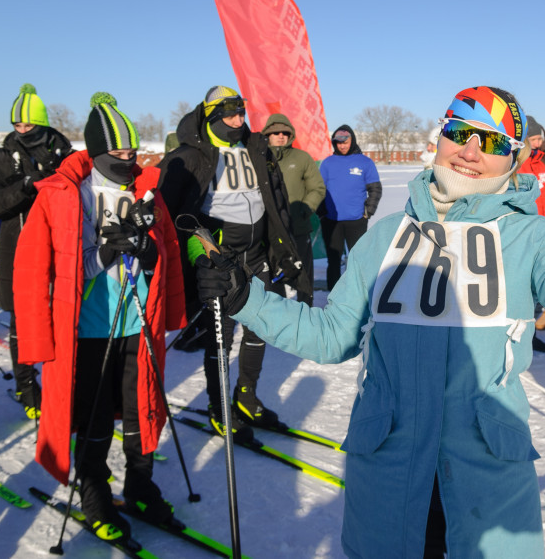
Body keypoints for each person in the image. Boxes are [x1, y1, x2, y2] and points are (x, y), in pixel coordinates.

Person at [194, 85, 545, 559]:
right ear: (438, 138)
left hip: (486, 479)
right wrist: (248, 299)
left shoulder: (532, 238)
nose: (469, 151)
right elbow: (330, 335)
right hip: (388, 478)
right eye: (459, 132)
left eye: (490, 143)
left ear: (512, 160)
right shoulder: (386, 238)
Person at [13, 93, 186, 542]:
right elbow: (37, 270)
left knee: (141, 409)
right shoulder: (67, 195)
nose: (130, 160)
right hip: (88, 327)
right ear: (98, 151)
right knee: (92, 418)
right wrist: (107, 251)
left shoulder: (146, 190)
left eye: (133, 152)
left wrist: (149, 255)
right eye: (121, 153)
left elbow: (163, 251)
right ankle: (93, 494)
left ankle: (140, 485)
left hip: (138, 321)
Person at [158, 85, 308, 440]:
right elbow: (169, 215)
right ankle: (218, 406)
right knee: (220, 338)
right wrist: (199, 252)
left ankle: (246, 396)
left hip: (257, 255)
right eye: (230, 113)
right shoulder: (192, 155)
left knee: (260, 329)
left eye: (241, 112)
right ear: (212, 115)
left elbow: (277, 200)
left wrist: (282, 246)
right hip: (220, 259)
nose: (239, 119)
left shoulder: (255, 147)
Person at [0, 84, 74, 418]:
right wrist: (23, 186)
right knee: (23, 321)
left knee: (63, 319)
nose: (22, 131)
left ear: (43, 125)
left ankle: (64, 385)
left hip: (61, 247)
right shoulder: (2, 158)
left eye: (28, 126)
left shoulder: (65, 153)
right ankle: (26, 387)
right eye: (17, 126)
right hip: (18, 248)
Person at [262, 113, 326, 306]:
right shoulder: (258, 157)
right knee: (272, 275)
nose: (280, 136)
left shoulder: (301, 158)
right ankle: (277, 314)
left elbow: (317, 188)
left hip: (297, 227)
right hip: (268, 230)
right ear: (267, 134)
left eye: (284, 132)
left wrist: (303, 210)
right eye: (275, 133)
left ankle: (305, 311)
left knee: (303, 272)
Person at [318, 125, 382, 290]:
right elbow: (317, 190)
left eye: (345, 142)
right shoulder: (327, 163)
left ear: (352, 140)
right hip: (332, 222)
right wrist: (322, 214)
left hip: (357, 221)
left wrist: (368, 212)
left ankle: (357, 294)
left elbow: (375, 189)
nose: (342, 146)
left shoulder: (364, 162)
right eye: (338, 143)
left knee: (358, 260)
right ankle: (333, 295)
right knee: (333, 261)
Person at [517, 115, 545, 350]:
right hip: (528, 238)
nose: (536, 143)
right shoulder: (519, 166)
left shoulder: (542, 164)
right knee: (527, 290)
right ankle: (524, 339)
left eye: (538, 139)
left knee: (540, 288)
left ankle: (531, 334)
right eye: (531, 139)